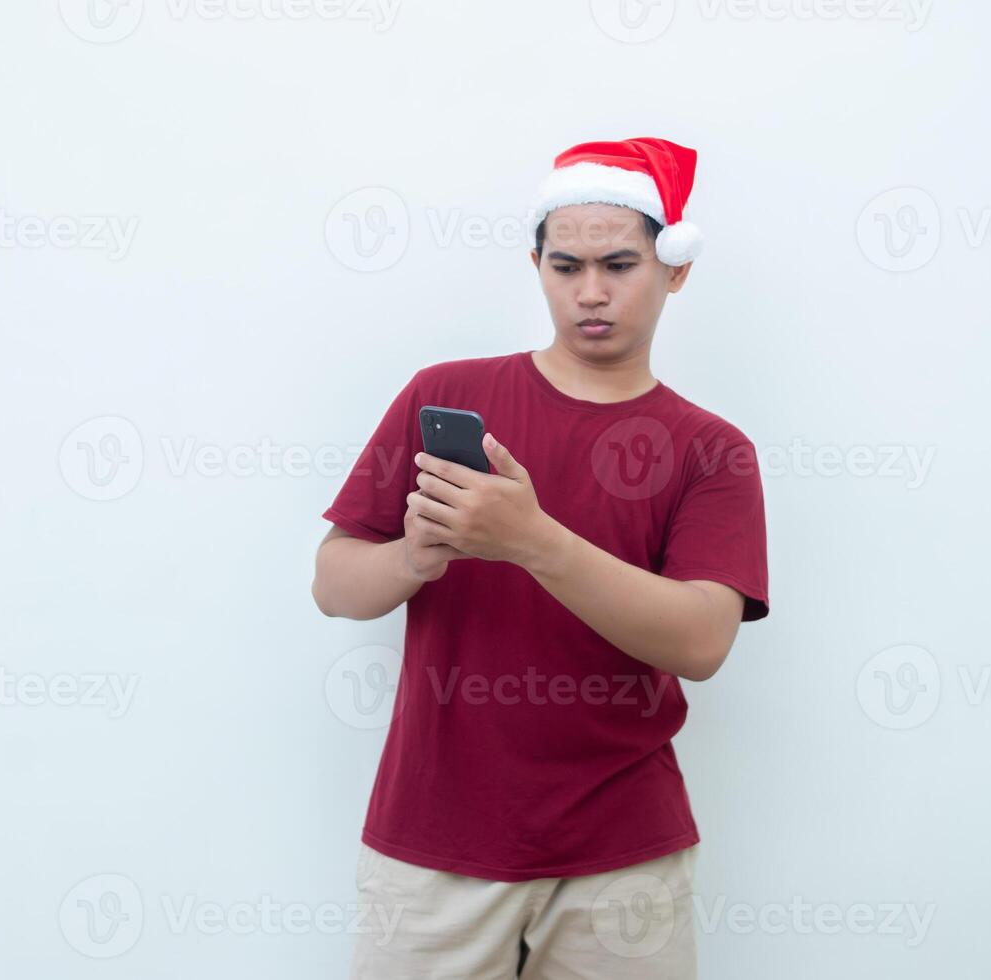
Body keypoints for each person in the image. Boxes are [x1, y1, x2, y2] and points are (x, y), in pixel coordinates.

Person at [312, 136, 770, 979]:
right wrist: (415, 554)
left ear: (675, 270)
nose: (591, 292)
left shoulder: (713, 450)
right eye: (566, 266)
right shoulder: (443, 394)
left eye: (620, 264)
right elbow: (334, 584)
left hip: (624, 856)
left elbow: (703, 641)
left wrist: (532, 541)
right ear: (536, 265)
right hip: (432, 845)